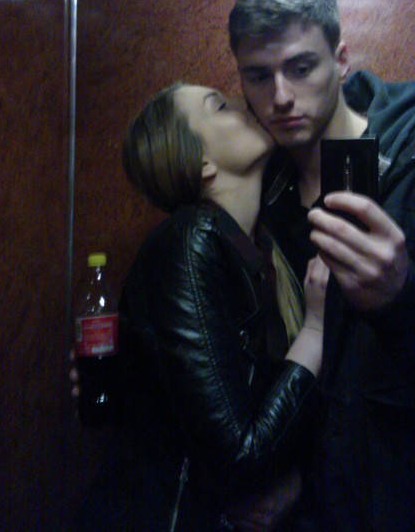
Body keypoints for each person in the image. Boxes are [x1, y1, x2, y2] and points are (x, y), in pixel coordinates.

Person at [227, 0, 415, 532]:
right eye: (259, 76)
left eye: (302, 68)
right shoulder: (258, 194)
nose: (280, 97)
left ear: (341, 59)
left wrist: (407, 302)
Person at [74, 81, 329, 532]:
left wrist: (296, 481)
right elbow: (239, 457)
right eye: (222, 107)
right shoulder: (191, 241)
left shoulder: (262, 250)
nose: (247, 106)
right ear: (203, 163)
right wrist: (315, 328)